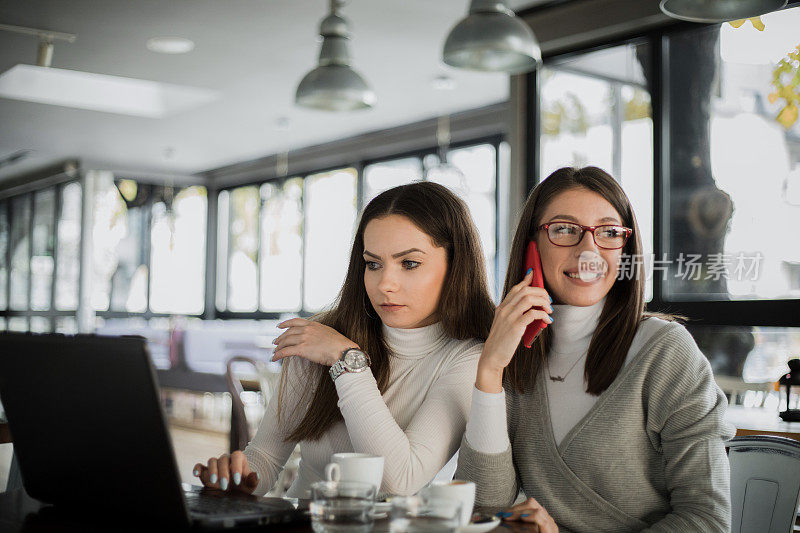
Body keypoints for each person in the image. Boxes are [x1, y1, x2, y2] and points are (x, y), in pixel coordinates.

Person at [455, 166, 735, 532]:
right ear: (532, 244)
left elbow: (707, 521)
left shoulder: (665, 352)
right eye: (565, 230)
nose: (589, 250)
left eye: (608, 233)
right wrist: (490, 370)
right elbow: (483, 509)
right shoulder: (512, 351)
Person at [193, 181, 494, 498]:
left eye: (409, 263)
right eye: (373, 264)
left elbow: (398, 481)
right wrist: (237, 477)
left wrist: (347, 361)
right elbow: (266, 459)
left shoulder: (471, 358)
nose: (385, 284)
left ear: (456, 266)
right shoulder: (319, 339)